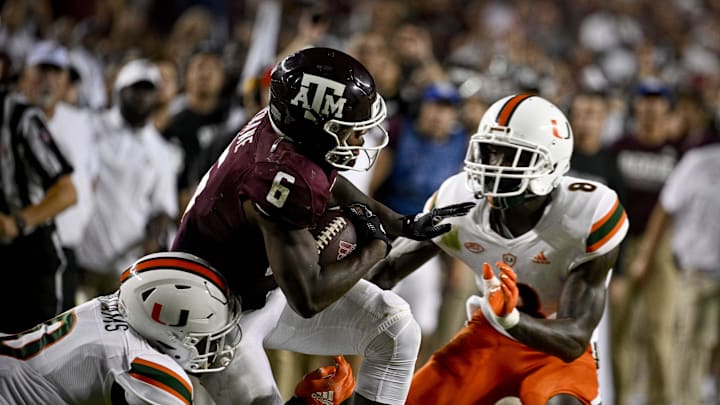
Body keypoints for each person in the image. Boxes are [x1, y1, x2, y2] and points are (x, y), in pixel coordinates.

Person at [172, 47, 473, 405]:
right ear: (319, 125)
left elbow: (327, 181)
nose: (361, 139)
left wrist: (397, 222)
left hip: (258, 288)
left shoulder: (287, 128)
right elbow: (309, 298)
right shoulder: (278, 176)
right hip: (215, 318)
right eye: (350, 129)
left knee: (395, 328)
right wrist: (376, 247)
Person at [368, 94, 629, 404]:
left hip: (560, 345)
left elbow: (575, 337)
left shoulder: (587, 213)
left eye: (511, 156)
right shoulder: (458, 201)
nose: (494, 166)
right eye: (491, 153)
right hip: (491, 331)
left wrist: (511, 319)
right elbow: (382, 274)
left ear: (548, 164)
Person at [0, 251, 240, 404]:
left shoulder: (117, 304)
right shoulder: (146, 364)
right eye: (206, 338)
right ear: (172, 331)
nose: (215, 347)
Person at [76, 58, 179, 299]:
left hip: (125, 270)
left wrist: (153, 241)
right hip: (81, 261)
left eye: (148, 90)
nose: (141, 97)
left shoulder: (161, 151)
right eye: (135, 89)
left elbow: (163, 210)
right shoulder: (90, 127)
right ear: (119, 91)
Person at [628, 143, 720, 405]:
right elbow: (665, 207)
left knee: (703, 344)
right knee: (685, 340)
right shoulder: (698, 161)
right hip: (694, 272)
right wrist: (646, 256)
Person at [19, 39, 98, 311]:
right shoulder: (10, 117)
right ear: (25, 74)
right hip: (17, 248)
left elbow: (91, 181)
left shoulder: (81, 123)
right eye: (42, 70)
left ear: (66, 82)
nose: (48, 80)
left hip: (65, 251)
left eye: (57, 73)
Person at [0, 79, 77, 333]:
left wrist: (18, 223)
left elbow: (67, 192)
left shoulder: (19, 117)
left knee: (38, 359)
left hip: (29, 259)